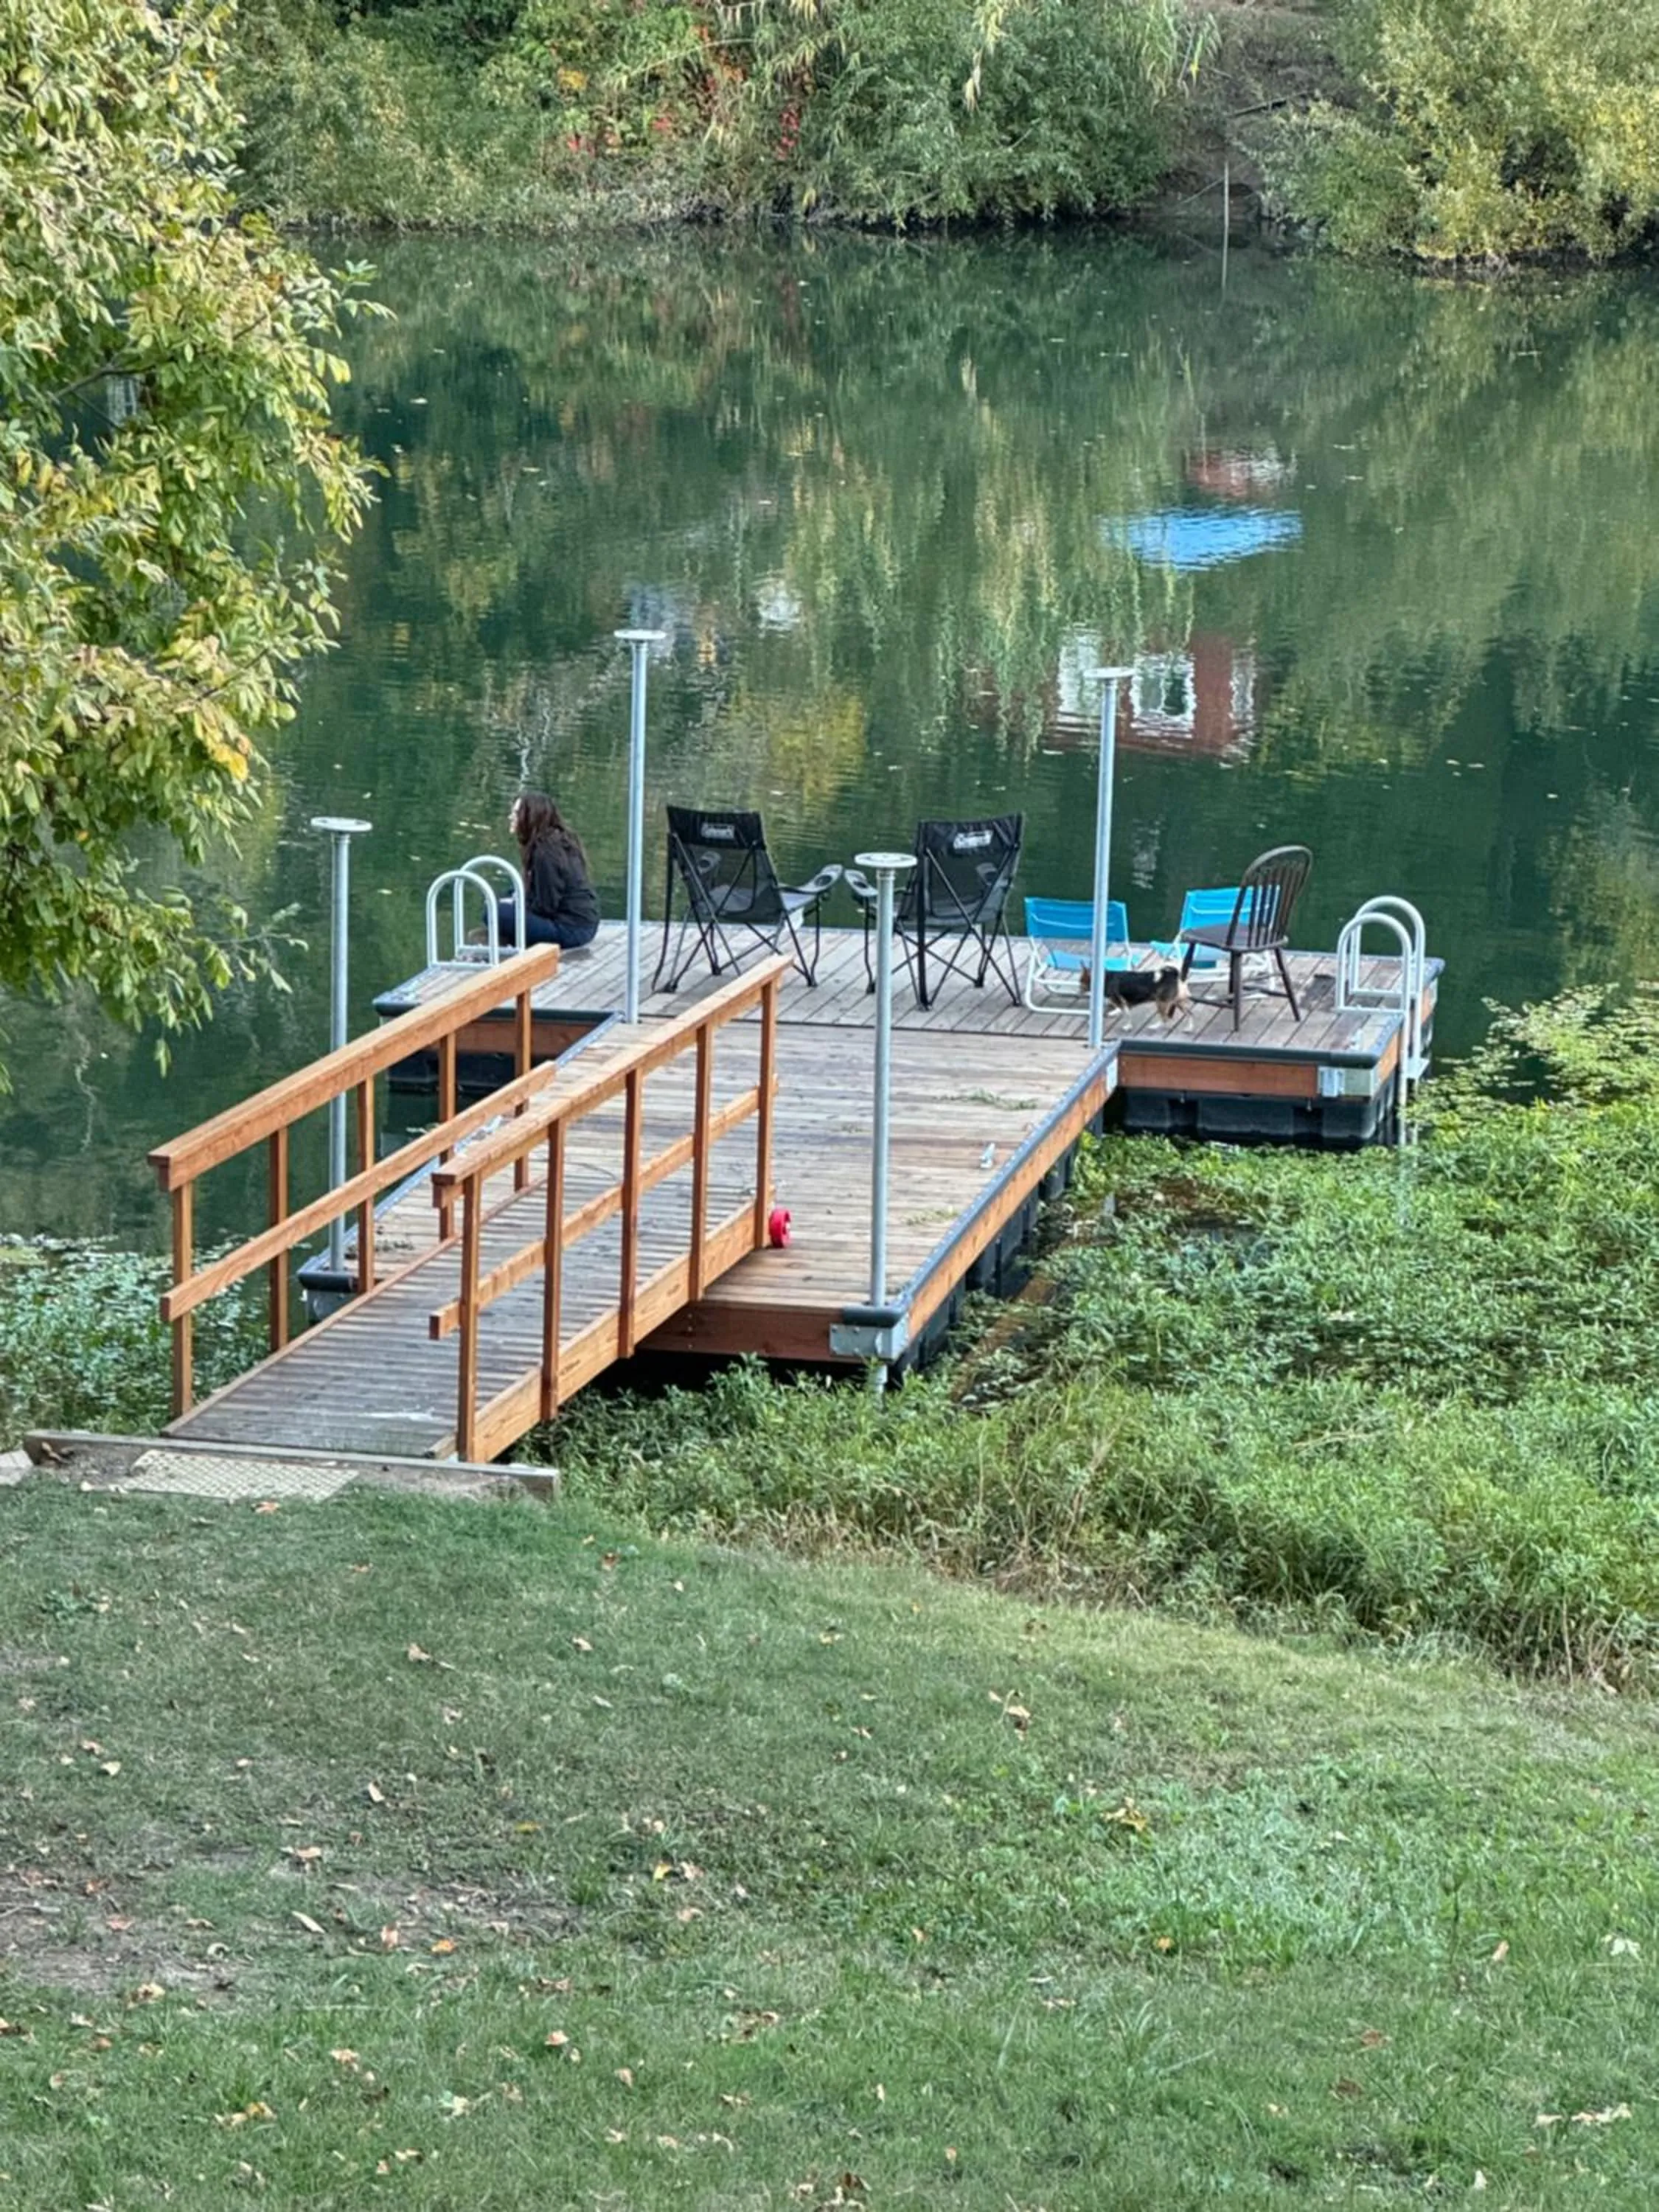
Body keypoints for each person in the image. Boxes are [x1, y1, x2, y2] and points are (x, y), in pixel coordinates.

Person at [495, 791, 601, 950]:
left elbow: (546, 906)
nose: (511, 817)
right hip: (582, 923)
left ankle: (513, 939)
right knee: (506, 894)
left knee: (495, 912)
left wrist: (518, 904)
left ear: (530, 818)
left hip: (571, 930)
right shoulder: (559, 841)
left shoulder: (545, 853)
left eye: (516, 813)